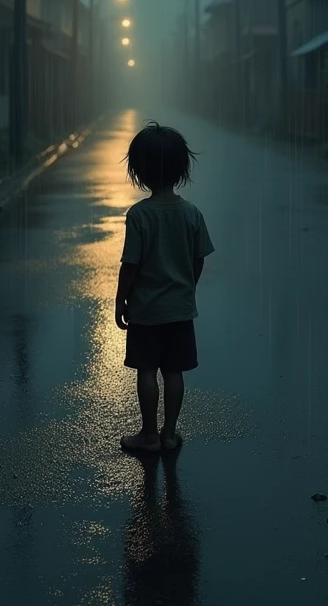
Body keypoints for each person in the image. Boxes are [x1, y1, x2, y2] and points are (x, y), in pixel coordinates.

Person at [115, 121, 215, 453]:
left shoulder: (139, 216)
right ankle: (169, 433)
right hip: (180, 309)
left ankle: (148, 434)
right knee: (174, 371)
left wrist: (121, 301)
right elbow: (198, 258)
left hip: (146, 310)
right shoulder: (191, 213)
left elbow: (130, 265)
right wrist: (188, 286)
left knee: (147, 370)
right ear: (180, 169)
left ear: (140, 172)